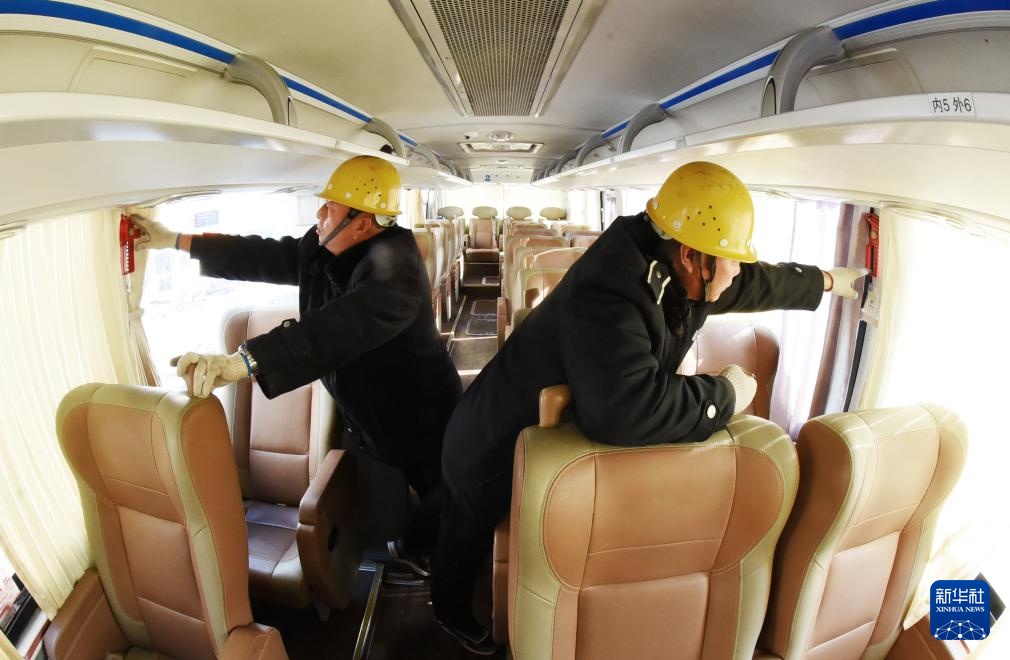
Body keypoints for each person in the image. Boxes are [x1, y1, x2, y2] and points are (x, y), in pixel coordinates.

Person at [430, 161, 869, 654]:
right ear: (693, 257)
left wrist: (827, 281)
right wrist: (724, 394)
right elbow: (627, 411)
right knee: (463, 529)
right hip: (491, 439)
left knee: (459, 520)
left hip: (530, 426)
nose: (735, 274)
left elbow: (753, 282)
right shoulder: (609, 289)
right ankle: (448, 613)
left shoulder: (678, 265)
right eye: (729, 264)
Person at [133, 155, 461, 576]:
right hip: (369, 408)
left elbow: (333, 329)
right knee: (395, 485)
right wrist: (176, 240)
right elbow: (266, 255)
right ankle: (403, 542)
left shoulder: (397, 269)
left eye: (330, 207)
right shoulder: (323, 245)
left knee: (446, 490)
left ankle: (426, 553)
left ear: (362, 223)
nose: (319, 214)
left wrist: (241, 363)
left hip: (421, 411)